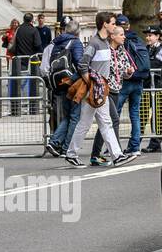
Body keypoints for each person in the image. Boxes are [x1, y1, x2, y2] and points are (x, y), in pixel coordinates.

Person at [64, 12, 134, 168]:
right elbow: (83, 64)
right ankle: (73, 153)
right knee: (88, 123)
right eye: (113, 23)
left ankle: (116, 156)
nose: (115, 26)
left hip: (101, 90)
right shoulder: (94, 43)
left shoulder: (105, 43)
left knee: (104, 123)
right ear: (105, 24)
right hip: (95, 90)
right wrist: (92, 84)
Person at [44, 18, 85, 156]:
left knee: (68, 115)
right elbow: (80, 63)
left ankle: (55, 142)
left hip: (59, 83)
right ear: (78, 32)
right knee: (74, 116)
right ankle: (65, 147)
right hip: (72, 83)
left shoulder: (56, 42)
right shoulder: (76, 43)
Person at [115, 15, 150, 154]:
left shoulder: (121, 41)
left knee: (114, 115)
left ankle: (113, 147)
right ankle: (135, 146)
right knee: (135, 114)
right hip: (139, 81)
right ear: (129, 26)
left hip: (126, 81)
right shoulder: (139, 40)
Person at [11, 12, 42, 115]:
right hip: (31, 60)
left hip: (19, 59)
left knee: (19, 81)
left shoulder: (18, 30)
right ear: (32, 20)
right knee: (32, 81)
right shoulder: (34, 30)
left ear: (23, 19)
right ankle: (31, 105)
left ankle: (19, 104)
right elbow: (38, 45)